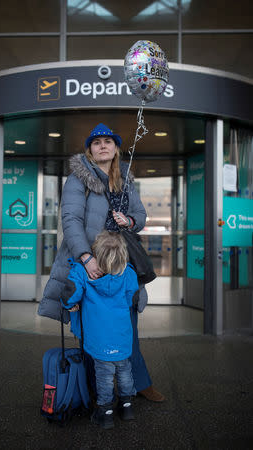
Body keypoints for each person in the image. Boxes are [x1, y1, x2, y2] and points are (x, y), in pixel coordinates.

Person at [38, 123, 165, 403]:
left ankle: (139, 384)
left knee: (127, 327)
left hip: (121, 267)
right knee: (90, 330)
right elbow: (70, 221)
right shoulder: (77, 180)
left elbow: (141, 216)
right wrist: (86, 258)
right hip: (90, 265)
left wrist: (129, 221)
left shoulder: (126, 181)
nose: (103, 146)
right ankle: (93, 391)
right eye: (97, 143)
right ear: (90, 149)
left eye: (108, 141)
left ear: (116, 148)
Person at [61, 230, 139, 429]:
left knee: (103, 376)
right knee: (124, 371)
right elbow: (132, 297)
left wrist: (71, 305)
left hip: (99, 340)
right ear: (123, 254)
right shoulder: (128, 273)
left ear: (96, 254)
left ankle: (105, 412)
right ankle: (127, 406)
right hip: (122, 337)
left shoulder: (82, 272)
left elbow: (69, 295)